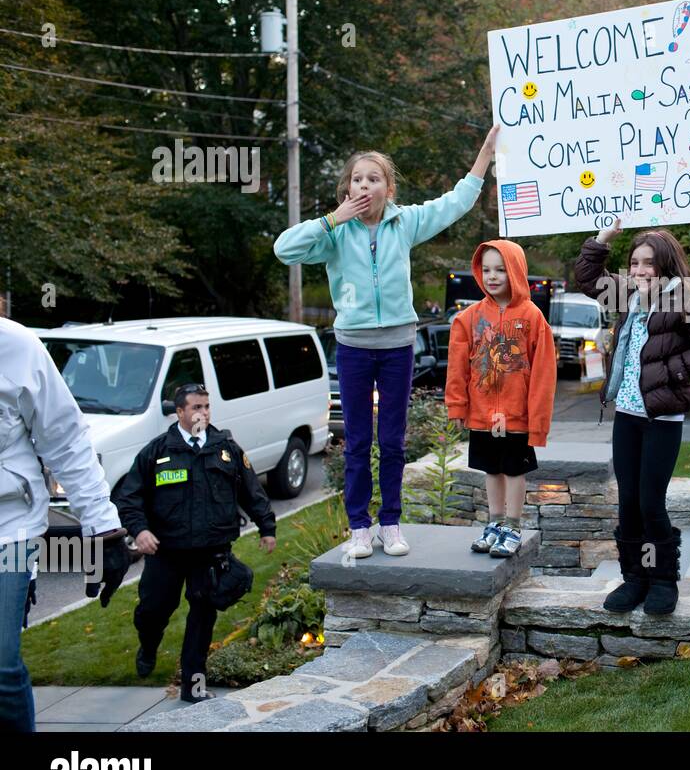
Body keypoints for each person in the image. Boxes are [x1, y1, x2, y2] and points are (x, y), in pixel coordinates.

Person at [274, 125, 499, 559]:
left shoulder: (405, 222)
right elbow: (285, 249)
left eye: (373, 178)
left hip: (397, 346)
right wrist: (331, 219)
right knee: (358, 441)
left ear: (387, 188)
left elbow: (456, 202)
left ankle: (390, 524)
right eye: (357, 178)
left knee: (392, 440)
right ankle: (359, 526)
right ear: (347, 187)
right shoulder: (334, 234)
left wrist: (485, 155)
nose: (364, 185)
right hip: (354, 347)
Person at [575, 219, 690, 615]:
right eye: (635, 263)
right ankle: (634, 579)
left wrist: (671, 372)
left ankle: (662, 581)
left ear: (666, 265)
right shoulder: (627, 294)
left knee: (650, 501)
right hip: (626, 415)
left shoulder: (686, 297)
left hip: (661, 418)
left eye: (650, 263)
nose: (641, 271)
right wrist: (602, 240)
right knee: (627, 501)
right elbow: (589, 278)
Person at [1, 316, 131, 732]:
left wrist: (104, 531)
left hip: (10, 531)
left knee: (0, 665)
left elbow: (66, 439)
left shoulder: (17, 347)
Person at [115, 383, 276, 703]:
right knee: (153, 611)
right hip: (166, 552)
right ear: (179, 413)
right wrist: (140, 530)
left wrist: (266, 527)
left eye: (206, 406)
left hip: (211, 553)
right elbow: (128, 497)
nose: (203, 412)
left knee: (202, 620)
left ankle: (193, 686)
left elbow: (250, 489)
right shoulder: (157, 451)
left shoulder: (225, 447)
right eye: (196, 407)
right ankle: (148, 646)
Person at [446, 240, 557, 558]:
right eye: (487, 269)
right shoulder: (468, 318)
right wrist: (457, 405)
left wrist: (537, 422)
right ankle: (493, 524)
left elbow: (544, 375)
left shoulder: (533, 317)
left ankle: (512, 526)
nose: (492, 276)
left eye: (501, 269)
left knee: (513, 471)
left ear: (517, 271)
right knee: (491, 470)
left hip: (517, 417)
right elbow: (457, 368)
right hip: (482, 416)